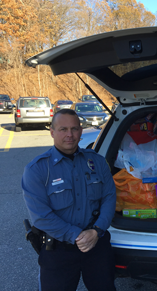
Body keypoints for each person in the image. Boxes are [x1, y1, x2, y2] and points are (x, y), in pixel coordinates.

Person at [22, 109, 117, 291]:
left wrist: (96, 231)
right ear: (52, 132)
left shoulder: (96, 162)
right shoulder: (37, 169)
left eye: (74, 129)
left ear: (81, 131)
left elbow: (109, 197)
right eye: (63, 129)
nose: (69, 135)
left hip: (96, 244)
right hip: (58, 249)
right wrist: (77, 236)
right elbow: (41, 217)